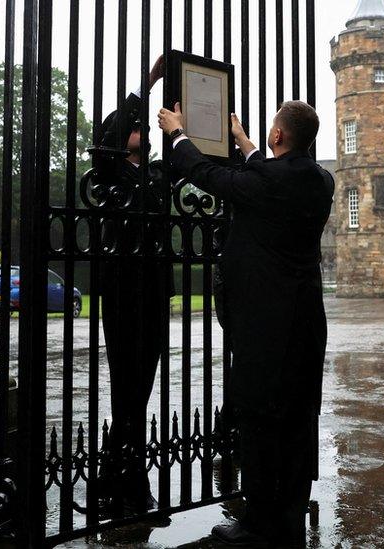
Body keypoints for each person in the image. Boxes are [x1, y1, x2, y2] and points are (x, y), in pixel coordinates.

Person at [158, 99, 334, 546]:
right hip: (306, 323)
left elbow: (211, 176)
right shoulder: (320, 180)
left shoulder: (269, 182)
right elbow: (273, 175)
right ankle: (289, 518)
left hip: (264, 325)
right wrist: (246, 144)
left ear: (278, 135)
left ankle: (258, 523)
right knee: (298, 421)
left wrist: (179, 134)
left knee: (257, 419)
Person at [91, 54, 172, 515]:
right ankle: (126, 482)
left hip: (155, 289)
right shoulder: (109, 172)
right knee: (127, 385)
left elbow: (195, 157)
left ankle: (112, 475)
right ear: (119, 140)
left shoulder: (155, 174)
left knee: (139, 387)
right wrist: (149, 81)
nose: (142, 127)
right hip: (122, 287)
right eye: (133, 126)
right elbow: (121, 120)